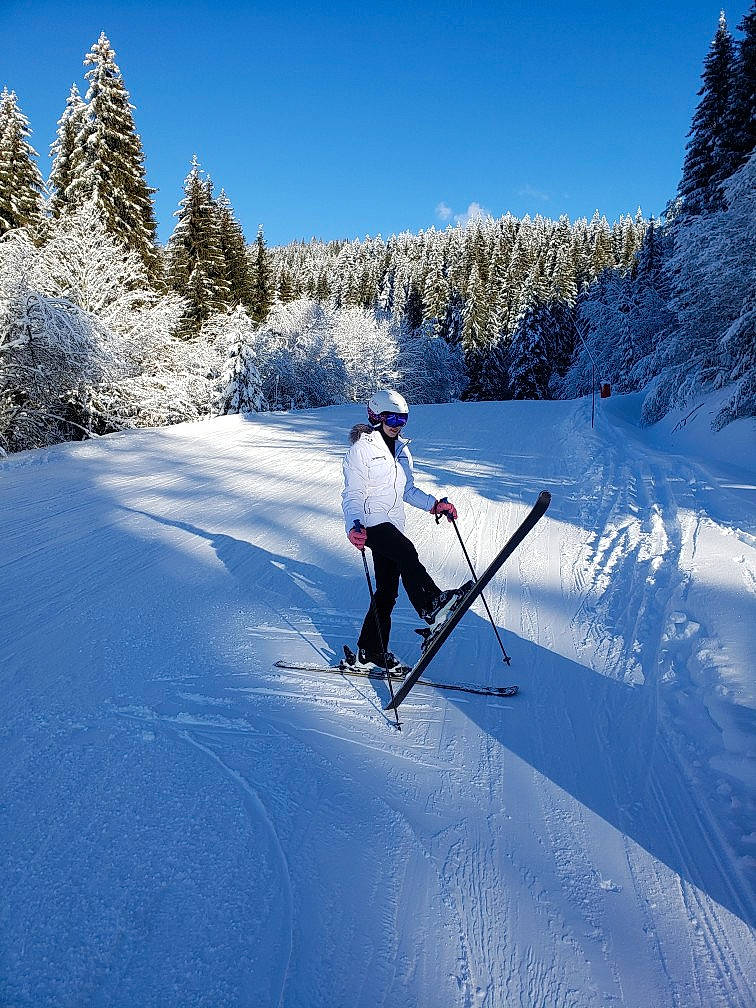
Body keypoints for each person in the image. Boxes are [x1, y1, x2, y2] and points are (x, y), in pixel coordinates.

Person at [341, 389, 471, 671]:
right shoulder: (360, 450)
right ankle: (432, 606)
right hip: (369, 522)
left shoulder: (402, 449)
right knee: (406, 551)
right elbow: (352, 493)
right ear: (376, 416)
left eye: (403, 419)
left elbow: (408, 490)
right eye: (392, 418)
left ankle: (370, 651)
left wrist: (434, 505)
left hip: (393, 523)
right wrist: (353, 525)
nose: (397, 425)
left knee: (387, 591)